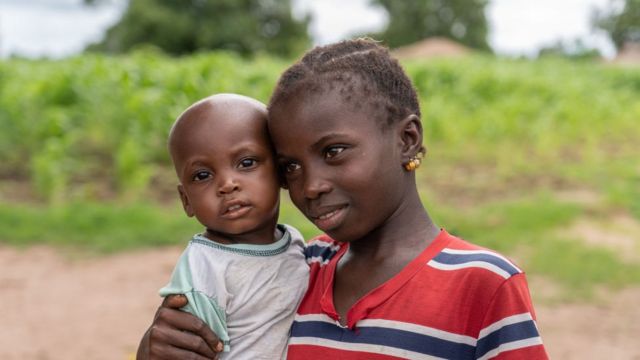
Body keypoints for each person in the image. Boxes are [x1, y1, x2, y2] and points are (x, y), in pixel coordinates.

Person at [138, 39, 548, 359]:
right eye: (291, 167)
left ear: (407, 140)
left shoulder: (483, 283)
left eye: (333, 152)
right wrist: (158, 349)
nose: (310, 185)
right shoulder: (299, 269)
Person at [138, 93, 309, 360]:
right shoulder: (205, 268)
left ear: (280, 171)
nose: (227, 184)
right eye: (203, 175)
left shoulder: (294, 242)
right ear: (186, 200)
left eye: (246, 163)